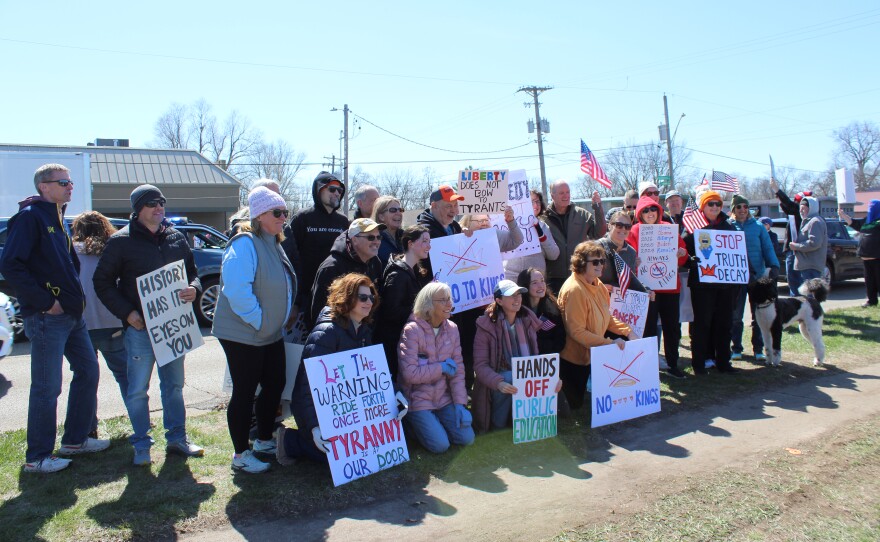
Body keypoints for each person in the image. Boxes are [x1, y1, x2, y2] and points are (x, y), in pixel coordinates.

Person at [0, 163, 109, 473]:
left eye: (70, 182)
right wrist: (47, 302)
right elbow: (11, 265)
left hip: (73, 316)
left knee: (88, 370)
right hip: (48, 317)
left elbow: (65, 264)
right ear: (44, 187)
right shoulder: (30, 217)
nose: (70, 187)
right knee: (47, 387)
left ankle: (75, 440)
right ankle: (37, 457)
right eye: (63, 182)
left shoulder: (57, 217)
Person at [94, 184, 204, 465]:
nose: (159, 207)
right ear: (137, 209)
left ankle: (177, 439)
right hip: (140, 330)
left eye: (162, 202)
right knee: (137, 390)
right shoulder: (121, 242)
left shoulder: (176, 238)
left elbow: (193, 274)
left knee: (174, 386)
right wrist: (127, 313)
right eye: (152, 203)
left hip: (172, 327)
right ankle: (142, 444)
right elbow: (102, 282)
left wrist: (194, 288)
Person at [277, 274, 408, 464]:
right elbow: (306, 387)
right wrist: (314, 427)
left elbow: (375, 375)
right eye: (362, 297)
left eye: (371, 297)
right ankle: (290, 440)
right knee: (338, 455)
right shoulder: (326, 334)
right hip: (316, 410)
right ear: (346, 297)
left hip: (347, 412)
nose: (369, 302)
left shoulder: (363, 331)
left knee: (374, 446)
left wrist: (397, 394)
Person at [212, 187, 297, 474]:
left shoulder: (273, 242)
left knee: (275, 383)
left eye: (285, 212)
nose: (283, 217)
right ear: (260, 215)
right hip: (244, 333)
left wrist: (277, 320)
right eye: (277, 212)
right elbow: (236, 290)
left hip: (268, 333)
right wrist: (260, 321)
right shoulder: (244, 244)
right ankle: (240, 454)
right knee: (245, 391)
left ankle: (262, 440)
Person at [472, 280, 562, 433]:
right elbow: (480, 366)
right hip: (498, 378)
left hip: (526, 373)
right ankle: (498, 425)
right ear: (499, 301)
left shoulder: (527, 318)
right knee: (510, 378)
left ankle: (523, 423)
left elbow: (536, 359)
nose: (517, 299)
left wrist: (552, 377)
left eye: (518, 294)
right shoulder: (486, 325)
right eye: (511, 295)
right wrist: (498, 382)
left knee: (559, 400)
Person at [558, 241, 636, 410]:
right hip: (574, 360)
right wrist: (610, 343)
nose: (600, 265)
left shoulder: (597, 284)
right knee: (574, 407)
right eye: (595, 262)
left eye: (602, 261)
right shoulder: (575, 290)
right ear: (580, 263)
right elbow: (576, 331)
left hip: (592, 354)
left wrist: (628, 331)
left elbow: (607, 318)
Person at [398, 282, 475, 453]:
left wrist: (460, 404)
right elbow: (410, 374)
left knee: (467, 439)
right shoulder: (412, 330)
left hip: (443, 398)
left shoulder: (452, 329)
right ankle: (412, 424)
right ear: (428, 304)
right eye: (443, 300)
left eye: (450, 299)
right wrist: (440, 368)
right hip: (417, 400)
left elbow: (458, 371)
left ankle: (436, 424)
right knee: (441, 446)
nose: (449, 304)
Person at [71, 212, 128, 437]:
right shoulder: (113, 252)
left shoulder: (70, 253)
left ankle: (89, 427)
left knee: (85, 379)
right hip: (113, 322)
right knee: (125, 375)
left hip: (81, 325)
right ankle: (139, 417)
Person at [626, 197, 689, 378]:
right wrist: (634, 260)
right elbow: (628, 256)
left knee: (672, 328)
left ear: (659, 210)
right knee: (648, 329)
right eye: (645, 210)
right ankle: (649, 367)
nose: (650, 213)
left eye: (653, 209)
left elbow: (683, 256)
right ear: (639, 213)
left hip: (670, 287)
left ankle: (672, 364)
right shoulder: (635, 231)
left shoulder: (668, 229)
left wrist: (682, 253)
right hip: (647, 290)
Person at [683, 190, 739, 375]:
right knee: (702, 324)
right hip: (702, 284)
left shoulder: (729, 226)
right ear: (703, 206)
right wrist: (691, 259)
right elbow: (684, 251)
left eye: (717, 204)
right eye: (710, 204)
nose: (714, 207)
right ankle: (699, 364)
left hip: (725, 284)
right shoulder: (693, 226)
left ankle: (723, 361)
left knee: (724, 323)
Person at [283, 171, 349, 325]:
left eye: (340, 190)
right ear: (318, 190)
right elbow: (291, 259)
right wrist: (295, 302)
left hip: (336, 293)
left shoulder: (343, 221)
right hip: (306, 296)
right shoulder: (303, 218)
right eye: (331, 189)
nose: (337, 193)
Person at [377, 225, 432, 383]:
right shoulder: (398, 275)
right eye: (424, 241)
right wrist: (423, 309)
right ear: (411, 244)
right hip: (393, 343)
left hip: (404, 340)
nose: (429, 246)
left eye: (429, 241)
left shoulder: (414, 271)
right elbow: (391, 312)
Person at [728, 195, 779, 363]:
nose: (742, 210)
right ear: (733, 209)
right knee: (736, 315)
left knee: (758, 314)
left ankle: (758, 348)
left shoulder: (758, 227)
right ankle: (736, 348)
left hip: (757, 278)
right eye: (738, 207)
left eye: (745, 206)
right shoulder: (728, 226)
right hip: (737, 278)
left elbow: (767, 247)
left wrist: (773, 265)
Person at [310, 218, 385, 324]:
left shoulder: (375, 263)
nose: (376, 241)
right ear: (354, 239)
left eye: (379, 237)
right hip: (339, 335)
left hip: (366, 334)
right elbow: (320, 311)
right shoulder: (332, 267)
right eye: (371, 237)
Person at [543, 179, 606, 294]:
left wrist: (597, 207)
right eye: (561, 193)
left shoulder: (582, 214)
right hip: (554, 278)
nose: (566, 196)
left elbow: (599, 232)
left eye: (568, 192)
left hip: (579, 274)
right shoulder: (543, 218)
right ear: (552, 195)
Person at [504, 190, 560, 280]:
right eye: (531, 202)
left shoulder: (543, 226)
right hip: (512, 278)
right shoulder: (507, 224)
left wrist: (540, 234)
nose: (536, 205)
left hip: (536, 279)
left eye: (538, 201)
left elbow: (554, 255)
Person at [416, 185, 465, 277]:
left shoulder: (455, 226)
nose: (454, 211)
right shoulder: (423, 232)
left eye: (455, 205)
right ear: (434, 206)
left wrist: (466, 236)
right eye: (449, 206)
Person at [769, 179, 807, 295]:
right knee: (793, 280)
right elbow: (787, 206)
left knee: (795, 280)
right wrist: (779, 197)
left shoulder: (799, 213)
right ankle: (797, 302)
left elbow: (788, 204)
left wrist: (777, 190)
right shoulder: (794, 213)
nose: (800, 206)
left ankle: (798, 304)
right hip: (792, 250)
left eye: (802, 204)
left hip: (796, 250)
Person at [517, 268, 567, 356]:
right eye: (535, 283)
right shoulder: (516, 309)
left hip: (547, 361)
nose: (541, 286)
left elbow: (560, 339)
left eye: (542, 281)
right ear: (525, 286)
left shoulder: (552, 307)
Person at [839, 201, 880, 307]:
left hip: (877, 258)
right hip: (865, 258)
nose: (870, 209)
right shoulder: (867, 220)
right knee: (869, 282)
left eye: (873, 207)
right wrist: (843, 215)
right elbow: (854, 223)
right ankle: (871, 301)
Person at [789, 196, 828, 283]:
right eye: (800, 208)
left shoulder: (815, 222)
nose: (801, 211)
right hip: (806, 265)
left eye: (803, 208)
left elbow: (814, 243)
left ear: (811, 208)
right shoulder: (807, 221)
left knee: (811, 294)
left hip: (811, 267)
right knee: (807, 294)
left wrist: (796, 246)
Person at [371, 195, 405, 268]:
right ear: (381, 217)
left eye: (400, 210)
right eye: (393, 210)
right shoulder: (372, 239)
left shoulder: (406, 237)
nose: (399, 213)